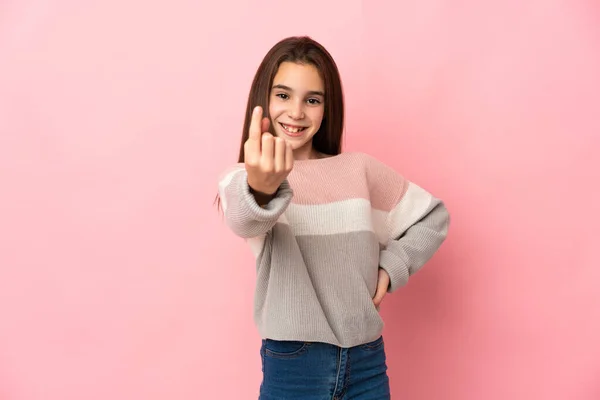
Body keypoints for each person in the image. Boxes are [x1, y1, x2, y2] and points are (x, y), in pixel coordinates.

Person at [216, 36, 450, 400]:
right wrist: (262, 185)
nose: (296, 112)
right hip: (294, 368)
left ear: (327, 108)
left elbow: (432, 217)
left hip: (368, 362)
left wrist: (391, 268)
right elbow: (245, 218)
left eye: (312, 100)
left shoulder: (358, 170)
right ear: (263, 99)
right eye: (282, 95)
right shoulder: (241, 178)